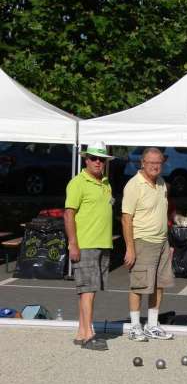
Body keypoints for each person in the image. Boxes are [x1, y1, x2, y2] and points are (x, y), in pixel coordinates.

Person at [64, 141, 114, 350]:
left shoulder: (105, 183)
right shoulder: (78, 182)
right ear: (86, 159)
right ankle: (88, 334)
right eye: (94, 158)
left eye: (101, 159)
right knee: (88, 290)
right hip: (86, 243)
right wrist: (73, 243)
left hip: (102, 243)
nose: (98, 162)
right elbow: (69, 214)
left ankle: (80, 331)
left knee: (88, 290)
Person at [122, 147, 174, 341]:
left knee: (158, 285)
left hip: (162, 242)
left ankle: (152, 325)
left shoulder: (161, 183)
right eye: (151, 162)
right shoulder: (134, 185)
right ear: (142, 163)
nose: (154, 166)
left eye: (158, 162)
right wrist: (130, 247)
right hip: (142, 241)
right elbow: (126, 218)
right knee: (139, 285)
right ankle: (135, 326)